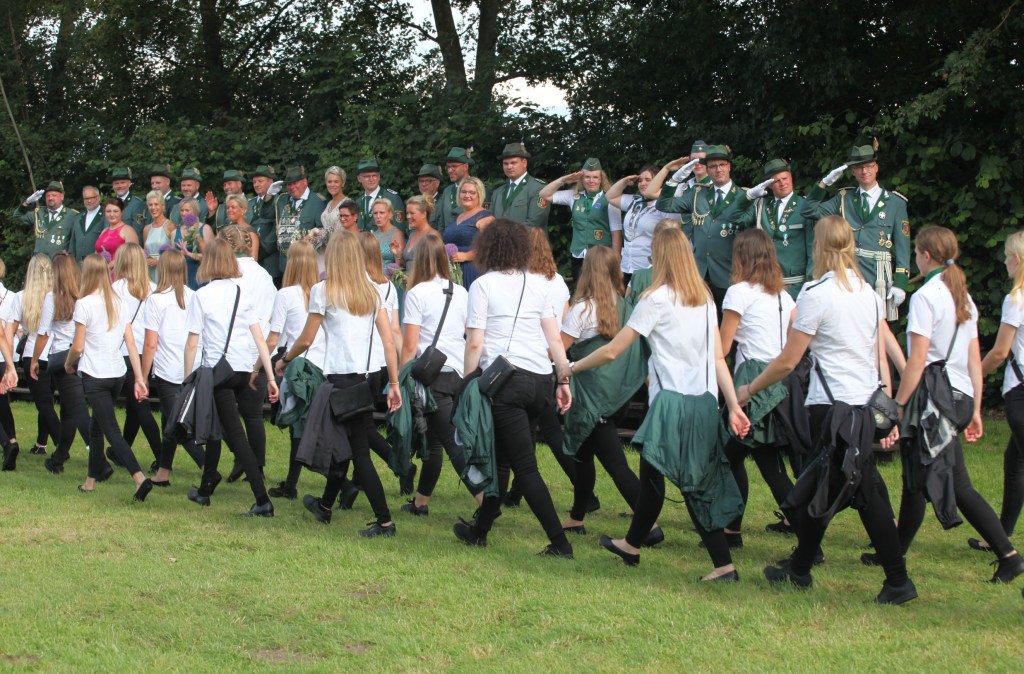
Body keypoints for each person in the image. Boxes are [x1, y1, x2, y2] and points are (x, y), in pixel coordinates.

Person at [740, 215, 917, 605]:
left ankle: (896, 580)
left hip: (833, 408)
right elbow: (874, 352)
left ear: (818, 246)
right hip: (863, 406)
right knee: (835, 486)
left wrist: (749, 389)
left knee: (853, 490)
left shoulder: (815, 294)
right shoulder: (867, 293)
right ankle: (801, 568)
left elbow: (789, 360)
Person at [563, 227, 749, 581]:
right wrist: (733, 405)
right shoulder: (705, 298)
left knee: (691, 484)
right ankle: (632, 544)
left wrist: (571, 367)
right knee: (652, 474)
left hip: (671, 403)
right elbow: (718, 358)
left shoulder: (655, 298)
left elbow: (614, 350)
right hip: (704, 401)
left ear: (660, 257)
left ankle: (723, 565)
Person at [878, 226, 1024, 583]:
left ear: (925, 256)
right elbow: (974, 358)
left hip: (934, 399)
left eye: (916, 253)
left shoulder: (926, 297)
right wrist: (974, 408)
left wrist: (898, 404)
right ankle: (895, 551)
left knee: (957, 485)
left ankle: (1008, 555)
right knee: (915, 476)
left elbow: (918, 360)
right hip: (958, 396)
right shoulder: (963, 297)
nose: (915, 258)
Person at [451, 218, 575, 557]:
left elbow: (475, 342)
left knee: (525, 467)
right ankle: (479, 530)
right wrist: (563, 380)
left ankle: (560, 544)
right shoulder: (539, 284)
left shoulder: (483, 285)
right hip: (540, 380)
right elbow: (554, 339)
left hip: (506, 383)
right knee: (503, 459)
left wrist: (467, 384)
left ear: (488, 248)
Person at [282, 232, 402, 536]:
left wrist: (284, 359)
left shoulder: (323, 291)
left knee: (357, 453)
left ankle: (384, 521)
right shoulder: (372, 291)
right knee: (342, 447)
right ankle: (325, 506)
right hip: (365, 379)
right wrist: (394, 382)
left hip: (339, 381)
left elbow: (306, 339)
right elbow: (389, 342)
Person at [558, 247, 658, 541]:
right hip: (618, 394)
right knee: (582, 455)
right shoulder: (627, 307)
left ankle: (649, 527)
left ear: (586, 272)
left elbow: (558, 351)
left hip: (591, 398)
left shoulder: (582, 310)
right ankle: (576, 517)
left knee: (615, 464)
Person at [183, 238, 279, 516]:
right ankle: (205, 490)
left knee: (235, 435)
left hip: (218, 372)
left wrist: (187, 381)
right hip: (241, 369)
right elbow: (259, 338)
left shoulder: (202, 295)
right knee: (218, 426)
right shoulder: (241, 292)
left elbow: (192, 343)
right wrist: (269, 376)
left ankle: (262, 499)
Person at [718, 229, 798, 543]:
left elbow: (722, 348)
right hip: (777, 382)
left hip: (751, 383)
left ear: (741, 257)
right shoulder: (783, 296)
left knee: (735, 457)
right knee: (761, 461)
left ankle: (804, 534)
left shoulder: (738, 292)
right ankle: (733, 529)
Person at [399, 233, 481, 514]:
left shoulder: (416, 293)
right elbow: (468, 332)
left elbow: (410, 346)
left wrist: (399, 380)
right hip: (457, 372)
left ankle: (486, 502)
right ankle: (421, 502)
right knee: (434, 441)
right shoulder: (461, 291)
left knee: (453, 444)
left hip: (431, 377)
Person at [66, 254, 152, 499]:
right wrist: (139, 378)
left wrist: (68, 363)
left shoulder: (84, 304)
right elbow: (131, 343)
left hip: (95, 375)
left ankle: (139, 478)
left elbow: (78, 346)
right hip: (117, 374)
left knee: (111, 431)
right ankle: (90, 481)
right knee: (96, 428)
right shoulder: (119, 302)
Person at [801, 142, 910, 320]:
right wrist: (825, 182)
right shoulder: (844, 198)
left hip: (877, 276)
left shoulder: (895, 203)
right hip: (846, 271)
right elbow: (808, 210)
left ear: (876, 168)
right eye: (859, 167)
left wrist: (900, 283)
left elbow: (903, 247)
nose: (864, 171)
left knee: (876, 325)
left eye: (868, 166)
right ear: (853, 171)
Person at [649, 145, 749, 312]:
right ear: (707, 170)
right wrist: (675, 179)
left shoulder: (743, 196)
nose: (718, 170)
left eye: (722, 165)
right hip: (699, 275)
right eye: (713, 166)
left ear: (729, 167)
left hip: (730, 274)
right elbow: (664, 204)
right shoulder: (698, 194)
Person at [266, 241, 325, 499]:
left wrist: (261, 365)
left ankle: (344, 484)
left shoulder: (286, 294)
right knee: (304, 429)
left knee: (299, 429)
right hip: (322, 367)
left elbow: (274, 338)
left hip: (298, 366)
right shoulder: (321, 292)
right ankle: (291, 484)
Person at [218, 225, 277, 483]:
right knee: (253, 415)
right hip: (260, 351)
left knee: (221, 411)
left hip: (235, 351)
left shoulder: (229, 274)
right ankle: (257, 466)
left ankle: (243, 457)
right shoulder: (264, 275)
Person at [142, 250, 204, 486]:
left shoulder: (156, 300)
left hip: (167, 371)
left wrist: (142, 377)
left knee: (177, 424)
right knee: (169, 420)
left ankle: (207, 466)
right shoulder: (194, 296)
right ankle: (163, 470)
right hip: (192, 367)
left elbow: (150, 343)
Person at [980, 230, 1024, 556]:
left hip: (1020, 391)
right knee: (1014, 462)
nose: (1005, 261)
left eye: (1008, 256)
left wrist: (974, 377)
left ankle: (1001, 541)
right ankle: (1000, 536)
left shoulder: (1016, 300)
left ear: (1017, 260)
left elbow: (999, 352)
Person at [33, 253, 92, 474]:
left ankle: (99, 460)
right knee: (68, 411)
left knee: (78, 411)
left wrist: (35, 360)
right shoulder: (83, 296)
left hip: (62, 358)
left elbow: (43, 334)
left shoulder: (53, 298)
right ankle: (58, 457)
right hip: (81, 355)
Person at [111, 244, 163, 471]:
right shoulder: (153, 289)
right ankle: (121, 451)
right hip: (147, 352)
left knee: (140, 407)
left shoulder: (116, 288)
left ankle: (161, 456)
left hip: (126, 352)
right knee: (135, 407)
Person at [3, 254, 60, 456]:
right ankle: (42, 442)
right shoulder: (57, 295)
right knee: (48, 402)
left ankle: (61, 444)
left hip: (33, 352)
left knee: (43, 404)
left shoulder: (21, 297)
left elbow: (9, 333)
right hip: (55, 351)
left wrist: (9, 362)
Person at [733, 159, 815, 298]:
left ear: (791, 178)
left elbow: (812, 248)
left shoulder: (805, 206)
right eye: (777, 181)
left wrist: (810, 283)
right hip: (765, 283)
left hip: (795, 284)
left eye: (785, 178)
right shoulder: (761, 206)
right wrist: (748, 196)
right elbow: (735, 219)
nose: (782, 183)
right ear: (769, 185)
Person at [539, 158, 623, 281]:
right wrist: (563, 180)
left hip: (602, 257)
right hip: (578, 256)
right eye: (587, 177)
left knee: (601, 292)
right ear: (582, 179)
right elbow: (544, 194)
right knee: (580, 291)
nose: (591, 181)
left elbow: (616, 234)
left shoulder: (610, 200)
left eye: (595, 177)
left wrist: (615, 261)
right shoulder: (573, 196)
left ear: (601, 179)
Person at [605, 164, 678, 286]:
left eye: (648, 180)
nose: (643, 183)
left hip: (649, 269)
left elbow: (672, 237)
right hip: (627, 267)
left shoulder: (665, 204)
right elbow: (610, 197)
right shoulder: (635, 200)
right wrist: (624, 181)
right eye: (640, 180)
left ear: (658, 181)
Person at [268, 165, 326, 276]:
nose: (292, 187)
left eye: (295, 183)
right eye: (289, 184)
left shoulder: (317, 202)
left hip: (306, 265)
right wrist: (269, 196)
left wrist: (309, 242)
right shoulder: (281, 200)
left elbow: (322, 231)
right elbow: (265, 216)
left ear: (305, 182)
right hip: (285, 265)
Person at [441, 177, 494, 288]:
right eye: (464, 192)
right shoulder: (457, 217)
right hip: (452, 270)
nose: (467, 195)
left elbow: (492, 247)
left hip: (473, 269)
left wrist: (467, 256)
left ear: (479, 195)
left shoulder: (485, 218)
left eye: (472, 193)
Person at [489, 142, 551, 230]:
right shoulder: (497, 192)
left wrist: (506, 236)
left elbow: (534, 223)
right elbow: (491, 222)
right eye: (505, 163)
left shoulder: (539, 188)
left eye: (513, 163)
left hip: (527, 239)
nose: (509, 167)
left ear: (524, 163)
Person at [12, 180, 76, 256]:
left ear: (62, 196)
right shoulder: (39, 213)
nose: (50, 198)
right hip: (39, 261)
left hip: (59, 261)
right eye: (48, 196)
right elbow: (17, 216)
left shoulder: (72, 215)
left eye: (54, 195)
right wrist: (27, 202)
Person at [173, 197, 216, 289]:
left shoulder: (205, 229)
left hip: (199, 276)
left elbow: (210, 257)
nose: (184, 213)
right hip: (180, 276)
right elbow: (173, 258)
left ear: (196, 211)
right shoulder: (175, 232)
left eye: (187, 210)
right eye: (182, 210)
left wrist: (188, 254)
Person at [355, 158, 404, 233]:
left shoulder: (393, 199)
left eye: (374, 175)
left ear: (379, 177)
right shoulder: (358, 202)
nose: (371, 179)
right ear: (359, 179)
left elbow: (399, 231)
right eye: (367, 176)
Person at [249, 164, 281, 279]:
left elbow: (277, 228)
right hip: (251, 257)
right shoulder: (249, 203)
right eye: (254, 182)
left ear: (271, 182)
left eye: (260, 181)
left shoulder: (279, 201)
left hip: (270, 258)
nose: (256, 185)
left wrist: (261, 249)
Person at [0, 259, 19, 455]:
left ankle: (7, 443)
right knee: (2, 402)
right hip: (3, 355)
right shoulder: (12, 297)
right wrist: (9, 365)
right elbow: (8, 334)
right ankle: (11, 439)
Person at [436, 147, 475, 232]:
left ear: (465, 167)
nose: (450, 170)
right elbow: (441, 224)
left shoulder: (477, 189)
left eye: (454, 166)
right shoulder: (447, 191)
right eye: (448, 167)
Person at [142, 190, 176, 283]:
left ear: (163, 206)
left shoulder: (170, 226)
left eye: (156, 204)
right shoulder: (146, 229)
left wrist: (158, 261)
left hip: (165, 271)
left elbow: (175, 254)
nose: (153, 207)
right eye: (150, 205)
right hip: (149, 271)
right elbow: (145, 252)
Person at [95, 198, 141, 264]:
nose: (112, 214)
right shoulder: (104, 231)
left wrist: (112, 264)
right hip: (100, 269)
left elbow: (133, 256)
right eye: (108, 211)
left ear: (122, 213)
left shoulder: (128, 231)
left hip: (119, 269)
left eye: (115, 211)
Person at [68, 186, 105, 261]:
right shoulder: (78, 218)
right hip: (79, 264)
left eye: (92, 197)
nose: (89, 201)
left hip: (98, 263)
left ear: (99, 198)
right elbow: (73, 243)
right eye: (86, 198)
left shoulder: (106, 215)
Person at [402, 195, 439, 270]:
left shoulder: (432, 235)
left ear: (423, 214)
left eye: (412, 213)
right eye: (407, 213)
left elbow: (435, 267)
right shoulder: (412, 234)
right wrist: (397, 254)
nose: (408, 216)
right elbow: (408, 263)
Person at [110, 167, 147, 239]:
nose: (119, 186)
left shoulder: (137, 204)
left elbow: (138, 232)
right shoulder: (110, 204)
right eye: (116, 183)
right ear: (113, 185)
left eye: (123, 182)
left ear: (129, 183)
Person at [370, 199, 406, 272]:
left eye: (382, 213)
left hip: (390, 277)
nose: (378, 216)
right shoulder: (372, 235)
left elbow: (400, 266)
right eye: (375, 213)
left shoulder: (397, 234)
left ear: (390, 214)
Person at [225, 194, 260, 259]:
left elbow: (253, 258)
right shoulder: (224, 230)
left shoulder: (251, 233)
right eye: (227, 207)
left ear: (243, 210)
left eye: (233, 207)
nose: (229, 210)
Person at [320, 166, 349, 233]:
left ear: (343, 183)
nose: (332, 185)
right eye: (329, 182)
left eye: (336, 182)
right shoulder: (329, 203)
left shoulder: (348, 204)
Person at [415, 165, 444, 230]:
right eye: (421, 181)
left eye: (428, 181)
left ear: (437, 183)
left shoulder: (443, 203)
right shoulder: (415, 203)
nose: (423, 184)